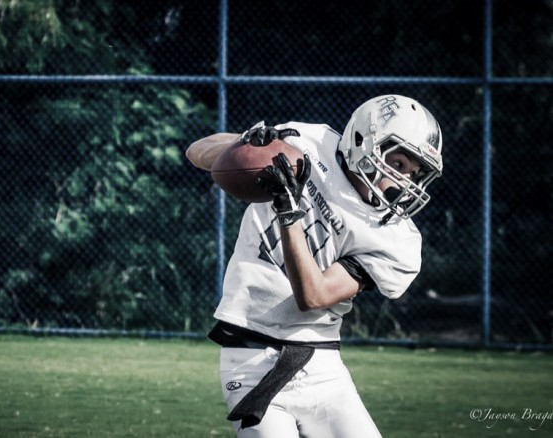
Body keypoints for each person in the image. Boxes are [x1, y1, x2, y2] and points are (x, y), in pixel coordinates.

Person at [186, 94, 443, 438]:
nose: (403, 183)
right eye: (398, 164)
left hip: (323, 367)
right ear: (362, 141)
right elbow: (198, 151)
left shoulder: (396, 239)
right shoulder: (309, 143)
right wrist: (244, 145)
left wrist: (288, 212)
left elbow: (313, 295)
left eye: (415, 172)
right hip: (251, 359)